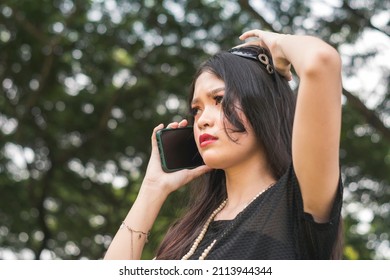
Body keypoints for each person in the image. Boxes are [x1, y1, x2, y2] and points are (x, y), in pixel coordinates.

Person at [103, 29, 344, 260]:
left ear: (262, 106)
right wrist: (153, 188)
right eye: (196, 109)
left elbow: (321, 61)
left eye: (219, 100)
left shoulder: (296, 201)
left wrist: (277, 44)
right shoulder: (192, 229)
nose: (203, 121)